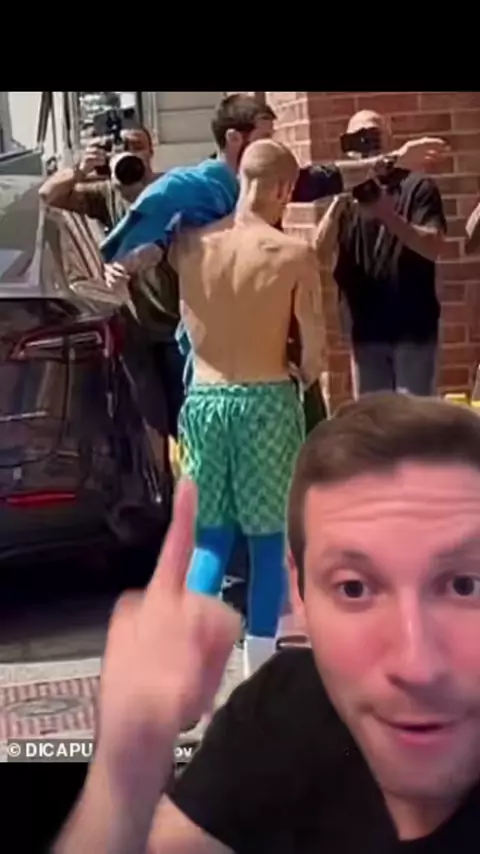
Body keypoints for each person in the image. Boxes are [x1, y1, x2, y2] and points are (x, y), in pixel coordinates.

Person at [54, 392, 480, 853]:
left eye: (465, 585)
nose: (416, 666)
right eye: (354, 588)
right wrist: (124, 775)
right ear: (298, 592)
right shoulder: (285, 711)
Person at [170, 139, 325, 677]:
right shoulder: (293, 254)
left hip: (205, 399)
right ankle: (259, 662)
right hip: (265, 401)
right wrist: (304, 374)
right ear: (283, 188)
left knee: (211, 539)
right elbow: (314, 348)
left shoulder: (189, 246)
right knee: (268, 539)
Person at [38, 124, 185, 451]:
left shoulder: (172, 188)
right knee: (151, 420)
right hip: (135, 326)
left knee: (184, 413)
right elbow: (48, 195)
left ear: (151, 151)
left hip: (177, 324)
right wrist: (81, 169)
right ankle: (166, 476)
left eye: (138, 147)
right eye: (123, 148)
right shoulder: (107, 193)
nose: (131, 154)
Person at [331, 109, 447, 398]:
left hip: (412, 330)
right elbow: (319, 254)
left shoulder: (417, 186)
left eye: (372, 134)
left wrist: (387, 214)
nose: (365, 144)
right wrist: (339, 200)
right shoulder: (346, 198)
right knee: (372, 419)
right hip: (365, 331)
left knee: (412, 419)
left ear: (388, 138)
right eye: (357, 138)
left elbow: (433, 246)